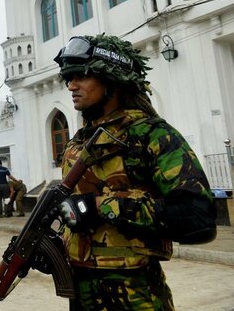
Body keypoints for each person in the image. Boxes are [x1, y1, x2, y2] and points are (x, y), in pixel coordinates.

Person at [53, 34, 216, 309]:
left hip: (135, 296)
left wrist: (99, 207)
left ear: (112, 82)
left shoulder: (151, 135)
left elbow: (197, 217)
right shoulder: (79, 142)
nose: (72, 85)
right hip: (81, 291)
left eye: (81, 75)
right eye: (69, 77)